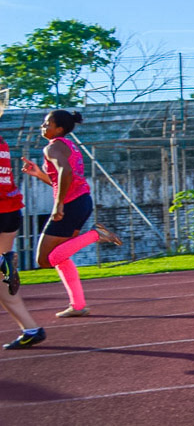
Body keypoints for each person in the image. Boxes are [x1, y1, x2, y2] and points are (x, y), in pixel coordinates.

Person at [20, 110, 121, 317]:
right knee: (60, 257)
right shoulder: (69, 146)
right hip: (81, 202)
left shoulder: (53, 147)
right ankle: (77, 305)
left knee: (44, 260)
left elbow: (65, 172)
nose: (43, 126)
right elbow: (62, 179)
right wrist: (39, 174)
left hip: (71, 205)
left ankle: (96, 235)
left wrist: (58, 205)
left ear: (59, 129)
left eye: (47, 123)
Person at [0, 133, 46, 348]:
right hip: (10, 211)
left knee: (3, 277)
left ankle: (5, 265)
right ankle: (31, 329)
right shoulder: (2, 141)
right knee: (2, 283)